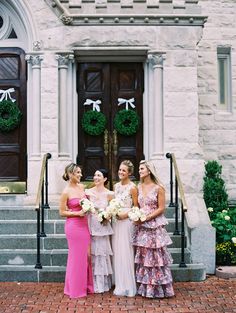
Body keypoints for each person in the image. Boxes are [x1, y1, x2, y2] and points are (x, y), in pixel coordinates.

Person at [132, 160, 175, 298]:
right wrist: (137, 216)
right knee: (145, 257)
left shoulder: (158, 188)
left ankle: (159, 289)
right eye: (139, 169)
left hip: (154, 226)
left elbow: (161, 208)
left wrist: (148, 217)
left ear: (149, 170)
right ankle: (145, 289)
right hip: (142, 227)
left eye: (142, 168)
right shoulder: (138, 187)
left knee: (155, 257)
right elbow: (136, 206)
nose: (139, 171)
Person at [59, 163, 94, 298]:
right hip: (73, 226)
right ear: (69, 174)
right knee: (76, 257)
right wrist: (77, 214)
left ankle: (85, 286)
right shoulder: (66, 192)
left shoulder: (82, 187)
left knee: (86, 256)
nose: (80, 175)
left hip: (84, 225)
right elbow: (62, 212)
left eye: (80, 172)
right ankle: (75, 289)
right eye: (77, 173)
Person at [112, 160, 138, 297]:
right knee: (117, 250)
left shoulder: (133, 187)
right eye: (120, 170)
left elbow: (136, 206)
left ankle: (127, 284)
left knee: (126, 251)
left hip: (127, 222)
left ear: (129, 173)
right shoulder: (116, 186)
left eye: (124, 171)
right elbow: (113, 202)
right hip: (116, 221)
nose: (121, 172)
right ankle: (119, 281)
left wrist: (126, 214)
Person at [85, 169, 114, 293]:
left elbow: (113, 211)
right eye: (95, 175)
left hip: (102, 227)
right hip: (90, 225)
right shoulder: (87, 192)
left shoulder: (110, 194)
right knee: (91, 254)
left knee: (101, 254)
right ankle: (90, 282)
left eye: (99, 175)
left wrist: (108, 216)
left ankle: (101, 284)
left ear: (105, 179)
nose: (96, 177)